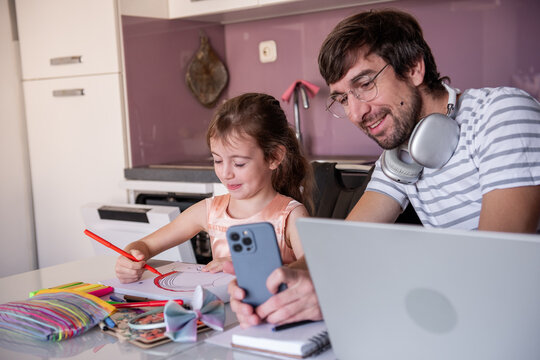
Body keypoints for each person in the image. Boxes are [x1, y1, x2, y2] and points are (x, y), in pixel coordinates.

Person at [229, 8, 540, 327]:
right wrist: (281, 284)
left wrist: (338, 293)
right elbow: (345, 242)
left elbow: (493, 266)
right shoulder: (401, 154)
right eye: (343, 98)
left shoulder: (502, 115)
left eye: (364, 84)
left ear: (414, 68)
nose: (355, 113)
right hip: (464, 319)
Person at [115, 93, 314, 283]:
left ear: (273, 158)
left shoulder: (290, 215)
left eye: (239, 163)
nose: (226, 173)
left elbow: (314, 267)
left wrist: (244, 266)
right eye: (217, 160)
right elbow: (146, 245)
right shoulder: (209, 211)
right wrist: (132, 256)